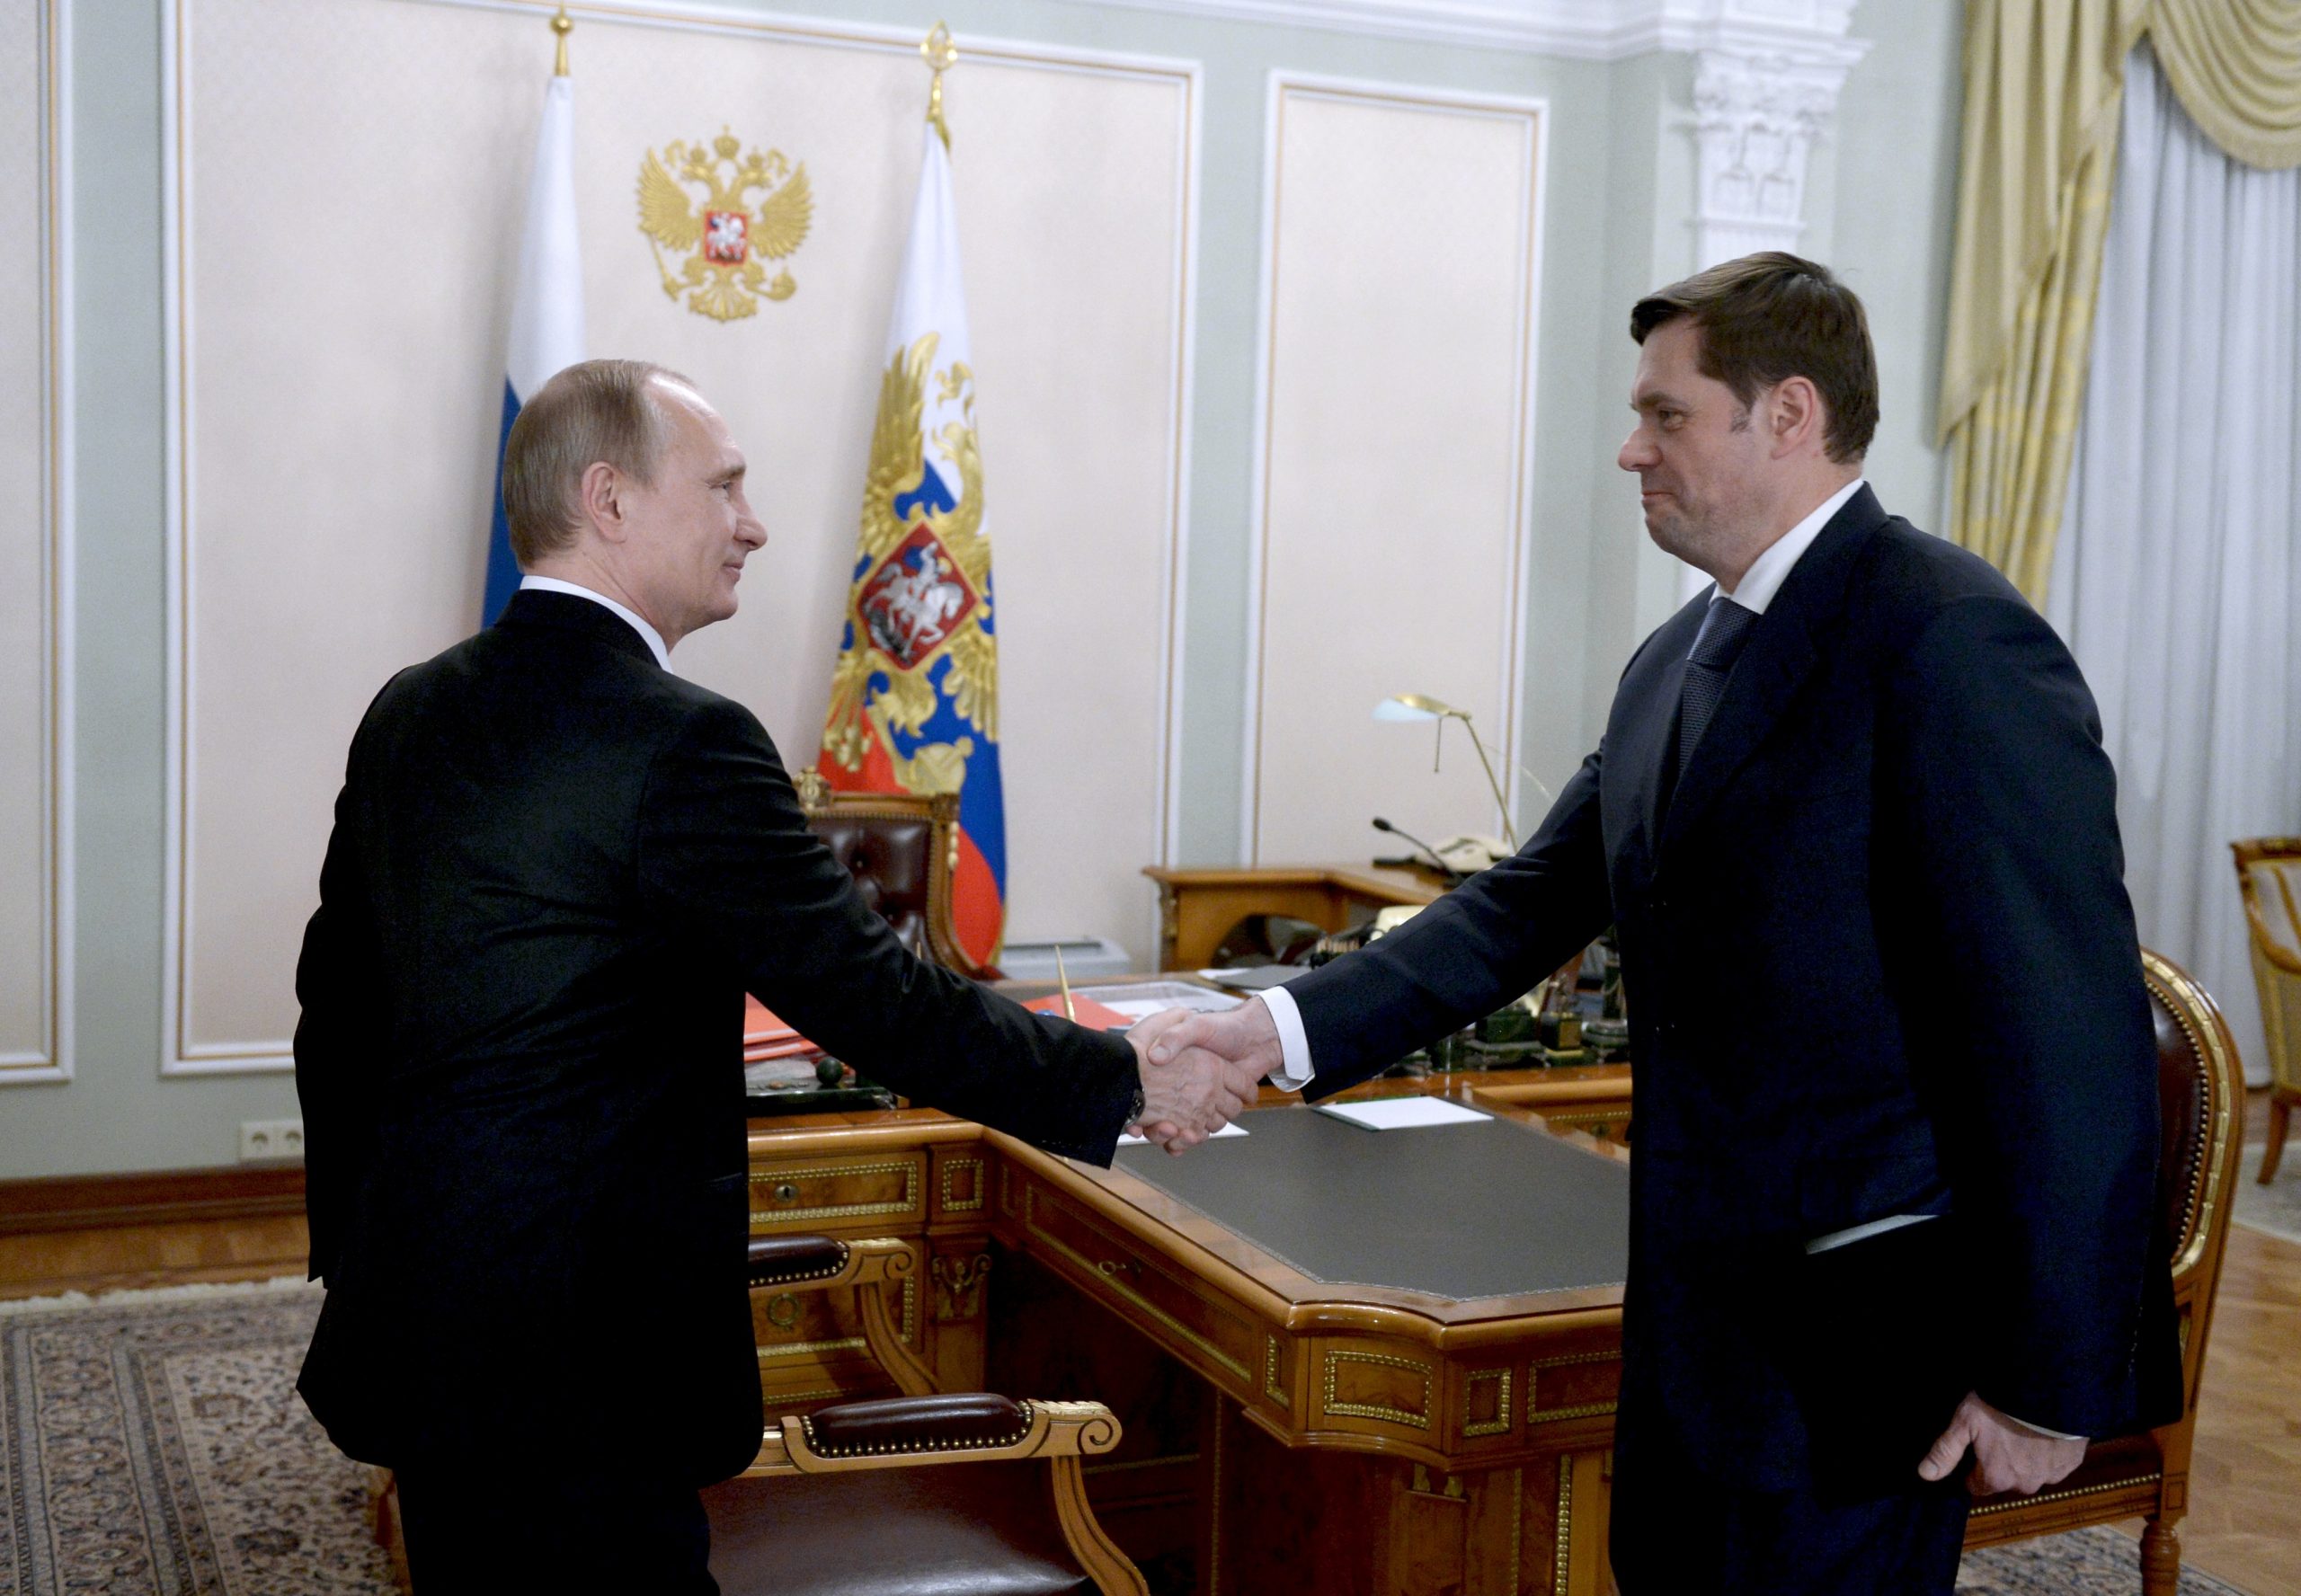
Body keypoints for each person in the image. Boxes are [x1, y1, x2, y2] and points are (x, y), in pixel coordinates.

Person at [1142, 254, 2181, 1593]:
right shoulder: (1677, 654)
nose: (1633, 449)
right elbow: (1523, 903)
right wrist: (1271, 1032)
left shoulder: (1950, 638)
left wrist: (2048, 1379)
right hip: (1694, 1334)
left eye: (1666, 414)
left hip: (1860, 1349)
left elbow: (2067, 1033)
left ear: (1789, 413)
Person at [291, 359, 1248, 1594]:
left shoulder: (410, 709)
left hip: (423, 1324)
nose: (752, 524)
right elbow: (879, 1004)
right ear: (609, 499)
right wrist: (1124, 1077)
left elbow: (335, 1013)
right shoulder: (682, 740)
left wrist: (368, 1249)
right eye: (725, 486)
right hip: (585, 1366)